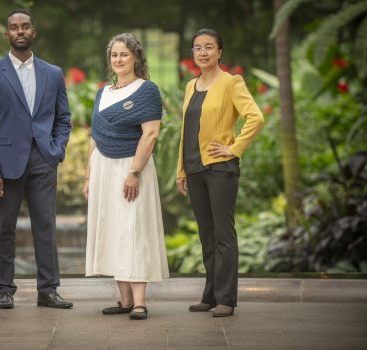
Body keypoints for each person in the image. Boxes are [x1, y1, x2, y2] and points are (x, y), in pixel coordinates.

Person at [0, 9, 73, 310]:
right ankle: (4, 289)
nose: (20, 31)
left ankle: (48, 290)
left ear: (33, 32)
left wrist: (56, 151)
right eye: (14, 27)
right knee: (3, 229)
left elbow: (63, 118)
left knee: (46, 226)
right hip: (5, 165)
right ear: (7, 34)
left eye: (25, 26)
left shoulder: (53, 73)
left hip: (43, 159)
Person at [176, 29, 265, 317]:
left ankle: (226, 298)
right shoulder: (191, 85)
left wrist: (234, 148)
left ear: (219, 52)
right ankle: (211, 295)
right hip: (194, 168)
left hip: (220, 169)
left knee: (223, 235)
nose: (203, 52)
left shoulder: (231, 83)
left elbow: (256, 117)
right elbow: (185, 131)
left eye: (209, 47)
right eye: (198, 48)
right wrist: (181, 170)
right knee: (207, 235)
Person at [83, 33, 169, 321]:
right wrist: (87, 177)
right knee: (113, 229)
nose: (118, 60)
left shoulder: (147, 91)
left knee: (133, 230)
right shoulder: (103, 92)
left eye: (124, 54)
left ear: (136, 58)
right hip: (103, 168)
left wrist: (134, 172)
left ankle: (140, 303)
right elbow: (94, 137)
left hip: (131, 168)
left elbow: (151, 133)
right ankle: (124, 301)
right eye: (114, 55)